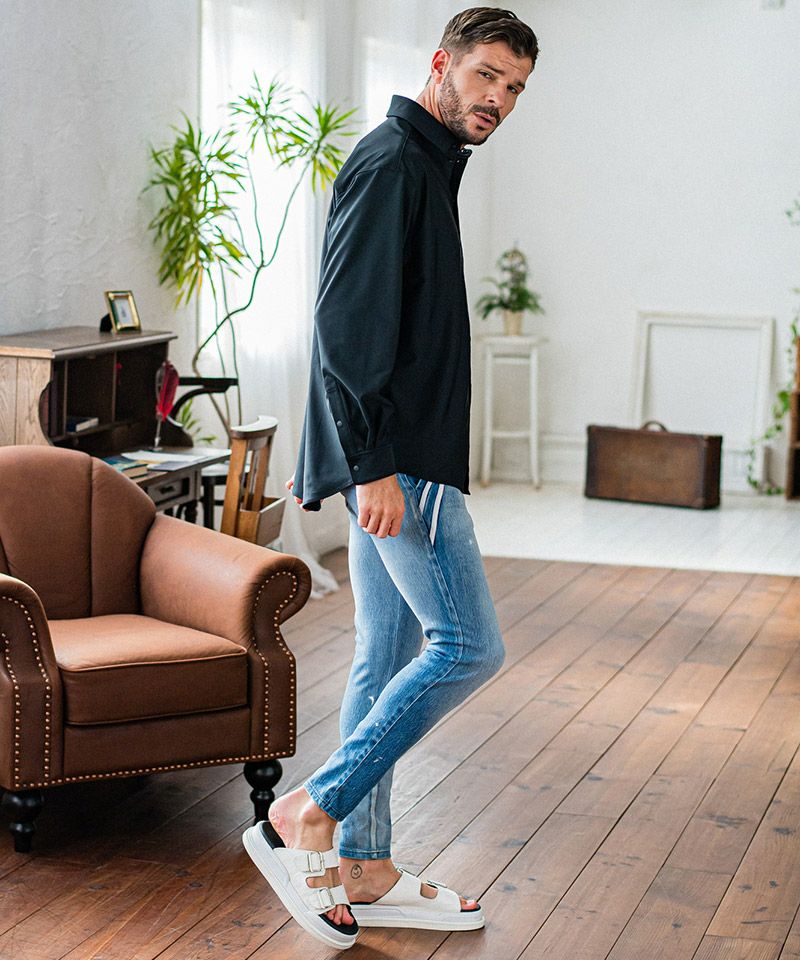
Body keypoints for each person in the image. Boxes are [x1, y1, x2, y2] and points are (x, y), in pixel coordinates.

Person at [242, 7, 538, 950]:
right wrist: (372, 467)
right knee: (469, 646)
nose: (498, 100)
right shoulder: (394, 163)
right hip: (402, 466)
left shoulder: (428, 162)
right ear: (442, 64)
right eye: (486, 76)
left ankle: (365, 865)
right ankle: (314, 808)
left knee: (384, 653)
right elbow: (343, 328)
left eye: (515, 88)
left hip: (404, 458)